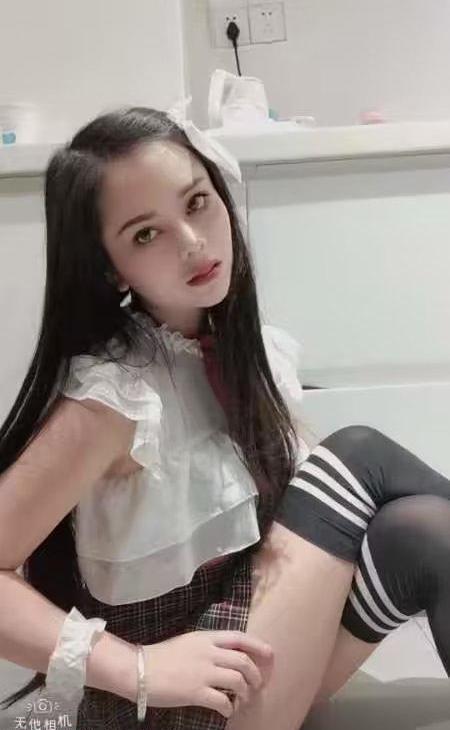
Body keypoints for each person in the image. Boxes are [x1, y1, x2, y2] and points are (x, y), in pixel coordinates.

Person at [0, 106, 449, 730]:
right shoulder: (116, 400)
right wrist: (138, 668)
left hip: (246, 652)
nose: (193, 241)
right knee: (359, 453)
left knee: (418, 534)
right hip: (173, 705)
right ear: (109, 268)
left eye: (197, 202)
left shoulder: (236, 349)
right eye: (145, 235)